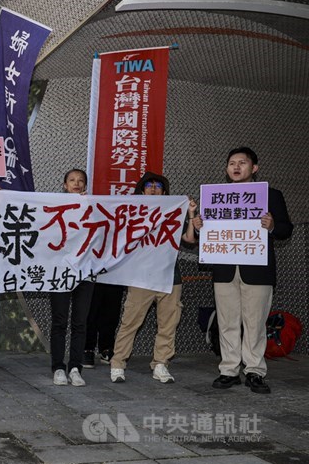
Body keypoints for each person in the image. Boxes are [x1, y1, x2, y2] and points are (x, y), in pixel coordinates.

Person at [194, 147, 292, 394]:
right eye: (231, 163)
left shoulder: (271, 195)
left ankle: (254, 371)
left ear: (254, 168)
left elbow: (286, 229)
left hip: (257, 270)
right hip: (225, 269)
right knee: (227, 322)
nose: (236, 167)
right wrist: (198, 227)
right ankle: (228, 370)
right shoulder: (215, 197)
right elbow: (208, 233)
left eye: (242, 163)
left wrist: (272, 226)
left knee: (255, 323)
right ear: (226, 169)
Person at [109, 172, 197, 383]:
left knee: (168, 323)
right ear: (142, 190)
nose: (154, 188)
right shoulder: (133, 212)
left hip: (170, 276)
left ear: (165, 192)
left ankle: (161, 364)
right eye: (149, 185)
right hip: (141, 277)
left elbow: (189, 239)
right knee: (130, 322)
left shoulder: (173, 212)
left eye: (159, 186)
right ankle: (118, 364)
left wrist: (192, 215)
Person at [49, 168, 95, 387]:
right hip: (59, 272)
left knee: (80, 322)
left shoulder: (94, 208)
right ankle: (58, 367)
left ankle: (75, 367)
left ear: (85, 186)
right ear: (64, 185)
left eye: (81, 181)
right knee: (59, 321)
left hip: (85, 273)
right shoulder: (53, 207)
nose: (76, 184)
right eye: (72, 180)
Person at [83, 283, 125, 367]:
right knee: (91, 309)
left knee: (112, 311)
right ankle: (88, 349)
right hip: (93, 275)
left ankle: (107, 348)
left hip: (115, 275)